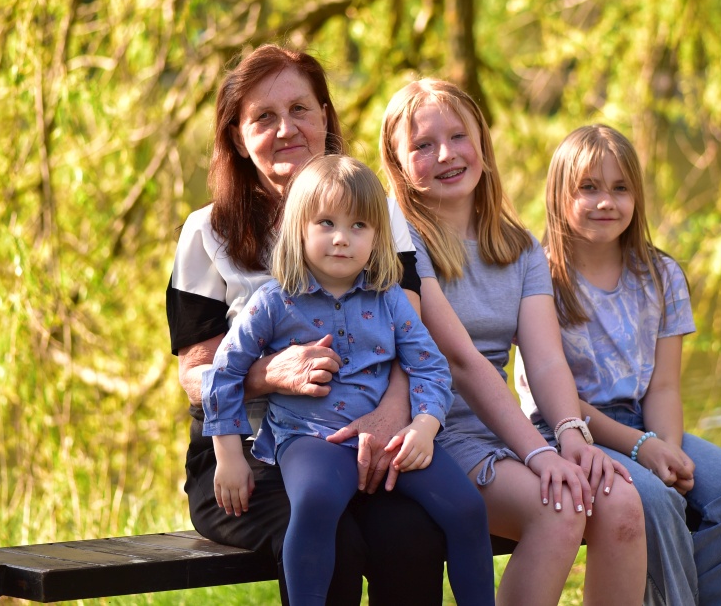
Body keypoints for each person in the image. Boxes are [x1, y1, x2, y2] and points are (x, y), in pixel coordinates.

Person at [166, 45, 448, 605]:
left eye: (299, 109)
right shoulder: (206, 232)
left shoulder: (376, 212)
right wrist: (269, 374)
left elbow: (410, 339)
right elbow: (195, 376)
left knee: (413, 538)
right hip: (246, 457)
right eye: (263, 117)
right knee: (333, 544)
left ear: (325, 117)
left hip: (364, 436)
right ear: (237, 138)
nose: (286, 129)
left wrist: (389, 417)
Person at [380, 79, 647, 606]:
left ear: (483, 142)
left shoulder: (519, 248)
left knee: (621, 504)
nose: (446, 154)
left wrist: (570, 435)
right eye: (423, 145)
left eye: (459, 136)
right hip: (436, 430)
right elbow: (460, 363)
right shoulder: (402, 245)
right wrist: (540, 455)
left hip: (505, 427)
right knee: (560, 508)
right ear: (398, 164)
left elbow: (545, 361)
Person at [202, 155, 495, 606]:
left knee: (467, 508)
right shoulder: (274, 301)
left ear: (377, 237)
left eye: (359, 225)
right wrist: (228, 455)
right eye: (326, 223)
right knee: (316, 502)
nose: (342, 238)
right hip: (310, 438)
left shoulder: (389, 299)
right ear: (299, 228)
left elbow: (430, 366)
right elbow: (223, 372)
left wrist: (424, 426)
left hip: (389, 443)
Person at [520, 124, 721, 606]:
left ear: (637, 196)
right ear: (559, 195)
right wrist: (643, 448)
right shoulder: (539, 278)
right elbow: (554, 397)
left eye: (621, 188)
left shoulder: (661, 275)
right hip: (566, 431)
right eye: (589, 187)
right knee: (655, 502)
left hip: (643, 422)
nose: (606, 201)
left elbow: (663, 388)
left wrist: (668, 451)